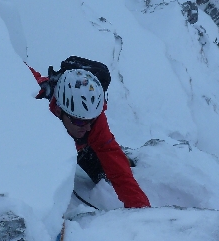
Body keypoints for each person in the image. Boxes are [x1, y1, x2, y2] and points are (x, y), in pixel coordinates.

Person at [29, 62, 150, 209]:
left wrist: (141, 208)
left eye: (91, 121)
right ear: (60, 111)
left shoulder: (94, 120)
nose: (87, 128)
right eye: (79, 121)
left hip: (80, 147)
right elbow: (16, 68)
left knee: (105, 174)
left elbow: (115, 165)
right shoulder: (36, 106)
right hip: (46, 150)